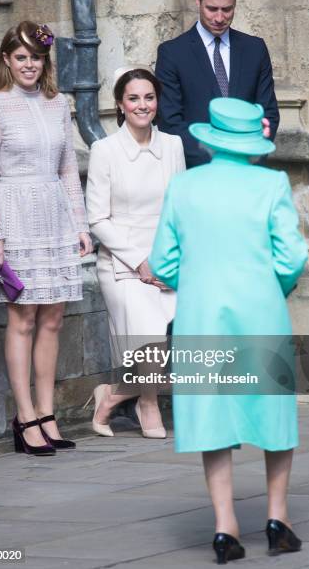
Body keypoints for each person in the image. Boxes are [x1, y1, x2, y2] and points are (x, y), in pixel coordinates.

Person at [149, 98, 308, 562]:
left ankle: (225, 527)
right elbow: (292, 256)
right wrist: (270, 285)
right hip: (261, 311)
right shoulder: (272, 183)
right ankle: (278, 519)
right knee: (274, 415)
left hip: (204, 315)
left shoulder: (184, 187)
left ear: (212, 137)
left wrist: (197, 284)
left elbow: (163, 261)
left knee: (212, 418)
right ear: (251, 141)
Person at [0, 21, 92, 456]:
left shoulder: (58, 103)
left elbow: (67, 170)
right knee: (22, 316)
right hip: (16, 215)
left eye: (36, 57)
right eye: (21, 57)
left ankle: (47, 413)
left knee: (53, 317)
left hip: (55, 213)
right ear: (7, 59)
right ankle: (24, 418)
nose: (29, 65)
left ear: (45, 62)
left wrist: (80, 226)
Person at [86, 67, 185, 438]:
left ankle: (115, 398)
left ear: (157, 102)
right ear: (120, 105)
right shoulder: (104, 150)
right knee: (150, 342)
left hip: (164, 260)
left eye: (149, 97)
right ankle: (141, 401)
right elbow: (98, 218)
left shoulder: (172, 146)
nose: (142, 105)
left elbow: (180, 209)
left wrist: (167, 259)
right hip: (121, 264)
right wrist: (139, 261)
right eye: (133, 98)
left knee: (156, 347)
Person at [155, 0, 279, 168]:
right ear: (198, 0)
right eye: (212, 9)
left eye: (227, 9)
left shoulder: (255, 50)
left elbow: (268, 113)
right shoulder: (172, 54)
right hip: (197, 173)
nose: (220, 18)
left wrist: (246, 158)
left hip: (247, 170)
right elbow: (170, 122)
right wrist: (218, 162)